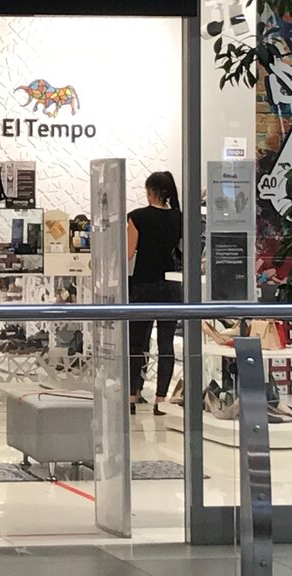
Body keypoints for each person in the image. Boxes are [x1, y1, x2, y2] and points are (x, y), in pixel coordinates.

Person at [127, 171, 183, 416]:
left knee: (137, 343)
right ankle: (161, 399)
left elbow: (128, 252)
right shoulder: (179, 218)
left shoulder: (137, 217)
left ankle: (132, 395)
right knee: (166, 344)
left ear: (149, 191)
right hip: (171, 285)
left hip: (143, 284)